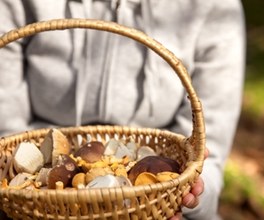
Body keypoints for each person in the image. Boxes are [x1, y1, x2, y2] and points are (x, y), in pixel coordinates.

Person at [0, 0, 246, 219]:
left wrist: (188, 198)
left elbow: (207, 150)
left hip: (155, 198)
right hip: (34, 202)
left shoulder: (215, 7)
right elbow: (8, 136)